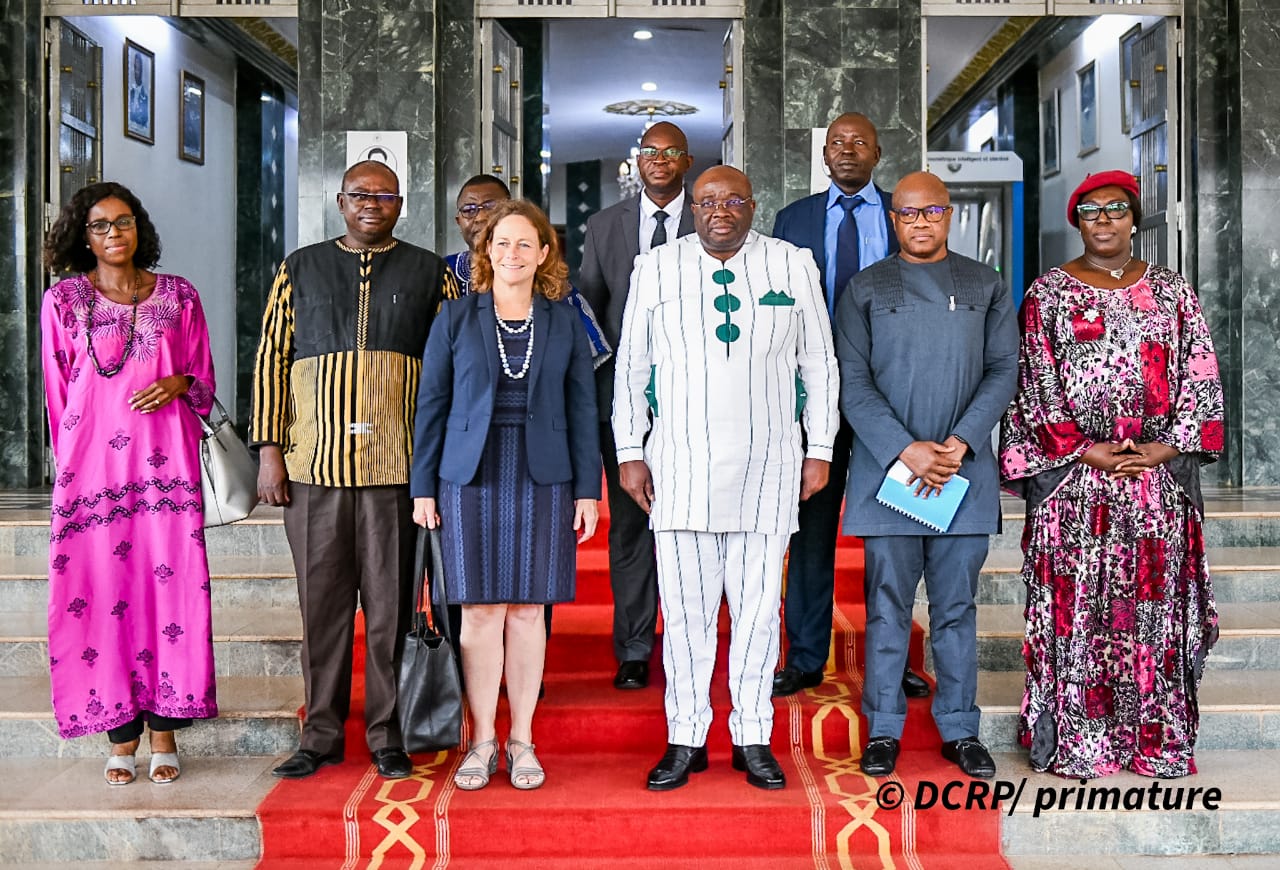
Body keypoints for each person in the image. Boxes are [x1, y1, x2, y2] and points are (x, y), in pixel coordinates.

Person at [613, 166, 839, 791]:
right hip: (680, 468)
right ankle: (685, 737)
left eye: (733, 200)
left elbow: (819, 363)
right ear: (691, 209)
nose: (719, 211)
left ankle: (752, 736)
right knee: (684, 616)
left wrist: (818, 447)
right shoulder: (655, 269)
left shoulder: (792, 265)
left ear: (752, 205)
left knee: (760, 613)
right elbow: (631, 365)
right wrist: (630, 449)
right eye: (707, 201)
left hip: (770, 467)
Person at [999, 170, 1224, 778]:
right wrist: (1082, 448)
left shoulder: (1173, 292)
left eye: (1116, 209)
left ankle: (1152, 739)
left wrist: (1166, 448)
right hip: (1077, 483)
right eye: (1091, 210)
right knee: (1079, 612)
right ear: (1077, 221)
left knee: (1152, 611)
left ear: (1134, 217)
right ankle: (1081, 739)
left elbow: (1199, 375)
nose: (1104, 219)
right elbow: (1033, 384)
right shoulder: (1047, 294)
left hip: (1157, 484)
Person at [251, 160, 458, 781]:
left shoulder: (430, 272)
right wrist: (269, 451)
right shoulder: (300, 266)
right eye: (360, 194)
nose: (372, 203)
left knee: (392, 607)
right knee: (322, 607)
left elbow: (447, 369)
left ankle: (387, 732)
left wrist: (437, 462)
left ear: (403, 203)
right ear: (339, 201)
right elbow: (271, 358)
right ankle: (319, 734)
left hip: (397, 466)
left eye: (385, 195)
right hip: (313, 465)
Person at [412, 199, 601, 791]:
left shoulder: (564, 320)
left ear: (544, 253)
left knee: (526, 612)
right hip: (468, 476)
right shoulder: (454, 318)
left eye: (524, 243)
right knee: (477, 612)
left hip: (544, 476)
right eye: (501, 243)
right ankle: (482, 739)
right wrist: (423, 488)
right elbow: (432, 407)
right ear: (485, 252)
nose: (511, 253)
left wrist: (587, 489)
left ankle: (521, 739)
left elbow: (582, 407)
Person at [835, 171, 1018, 779]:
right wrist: (904, 449)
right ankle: (883, 729)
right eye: (908, 214)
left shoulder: (985, 284)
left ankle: (960, 728)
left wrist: (960, 443)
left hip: (961, 477)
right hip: (890, 477)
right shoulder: (864, 287)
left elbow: (1003, 371)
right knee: (887, 606)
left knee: (956, 608)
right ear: (894, 218)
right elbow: (852, 385)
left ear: (948, 215)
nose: (920, 223)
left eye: (931, 213)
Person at [41, 181, 217, 786]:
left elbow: (203, 378)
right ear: (82, 235)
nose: (114, 233)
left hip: (164, 469)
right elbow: (57, 392)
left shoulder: (179, 297)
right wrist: (71, 468)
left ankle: (165, 730)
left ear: (139, 227)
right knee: (101, 594)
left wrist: (177, 384)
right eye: (99, 225)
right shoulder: (63, 300)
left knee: (168, 594)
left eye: (123, 222)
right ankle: (119, 735)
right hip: (93, 476)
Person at [770, 112, 928, 701]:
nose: (847, 150)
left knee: (892, 537)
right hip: (814, 399)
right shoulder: (794, 220)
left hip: (891, 399)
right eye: (837, 142)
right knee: (810, 534)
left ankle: (894, 656)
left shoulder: (900, 215)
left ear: (878, 152)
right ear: (824, 153)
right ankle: (806, 656)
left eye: (860, 141)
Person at [579, 121, 696, 691]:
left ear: (686, 160)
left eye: (670, 151)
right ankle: (634, 645)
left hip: (700, 399)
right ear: (638, 159)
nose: (658, 159)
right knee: (630, 523)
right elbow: (591, 310)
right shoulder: (605, 226)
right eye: (649, 151)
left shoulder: (715, 215)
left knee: (694, 522)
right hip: (624, 399)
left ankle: (688, 642)